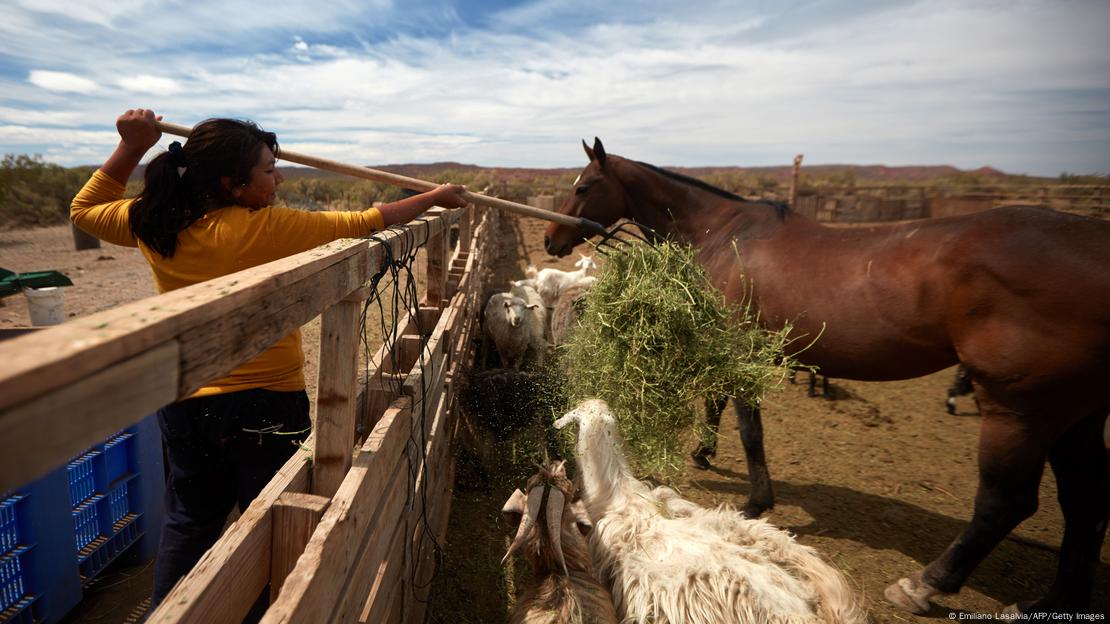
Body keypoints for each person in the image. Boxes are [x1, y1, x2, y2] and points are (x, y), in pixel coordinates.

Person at [71, 108, 469, 615]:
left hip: (185, 403)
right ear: (232, 184)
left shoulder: (154, 222)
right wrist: (435, 197)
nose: (278, 178)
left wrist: (130, 146)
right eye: (267, 170)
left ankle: (167, 611)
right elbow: (367, 221)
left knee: (190, 519)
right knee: (269, 525)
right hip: (265, 406)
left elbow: (85, 210)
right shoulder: (262, 230)